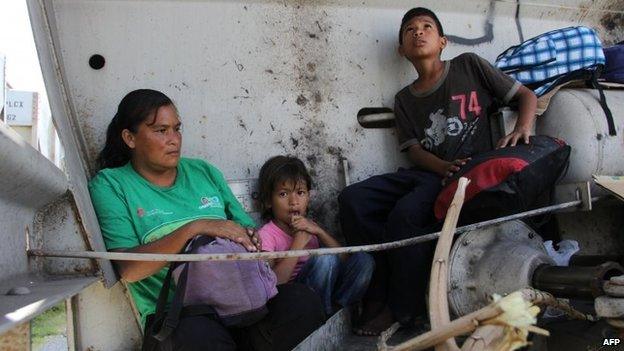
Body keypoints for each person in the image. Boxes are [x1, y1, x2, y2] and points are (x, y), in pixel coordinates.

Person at [339, 7, 538, 336]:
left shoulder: (469, 66)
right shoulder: (403, 99)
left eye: (426, 26)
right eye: (410, 30)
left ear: (442, 40)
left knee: (404, 216)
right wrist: (443, 166)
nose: (418, 32)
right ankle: (376, 292)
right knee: (352, 200)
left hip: (471, 174)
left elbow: (524, 96)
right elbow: (415, 152)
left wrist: (523, 128)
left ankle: (403, 309)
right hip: (433, 172)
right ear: (402, 49)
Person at [89, 89, 324, 351]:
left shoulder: (203, 171)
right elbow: (129, 270)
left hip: (240, 305)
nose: (174, 140)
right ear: (130, 138)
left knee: (303, 302)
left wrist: (249, 238)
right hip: (180, 315)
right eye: (161, 130)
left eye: (177, 129)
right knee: (200, 338)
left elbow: (246, 229)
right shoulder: (112, 185)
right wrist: (196, 228)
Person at [256, 155, 375, 317]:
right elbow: (274, 284)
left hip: (324, 293)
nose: (294, 201)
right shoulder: (267, 235)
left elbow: (346, 260)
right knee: (325, 259)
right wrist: (298, 244)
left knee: (364, 260)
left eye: (300, 192)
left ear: (308, 197)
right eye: (283, 194)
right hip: (295, 300)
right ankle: (320, 316)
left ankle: (335, 312)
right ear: (268, 201)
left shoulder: (310, 227)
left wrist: (319, 231)